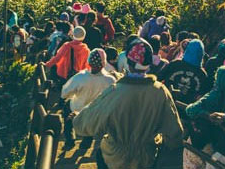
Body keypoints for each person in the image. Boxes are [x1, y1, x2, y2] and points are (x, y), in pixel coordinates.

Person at [74, 38, 184, 169]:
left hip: (114, 157)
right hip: (146, 157)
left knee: (100, 155)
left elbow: (83, 125)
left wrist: (76, 117)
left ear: (128, 62)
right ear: (149, 64)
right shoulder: (160, 91)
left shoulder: (114, 91)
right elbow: (175, 134)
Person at [62, 49, 118, 149]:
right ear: (103, 63)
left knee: (67, 108)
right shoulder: (110, 80)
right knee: (90, 115)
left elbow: (64, 93)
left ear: (89, 62)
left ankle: (69, 139)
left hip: (77, 108)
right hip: (96, 112)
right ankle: (87, 140)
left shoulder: (80, 77)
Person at [157, 39, 208, 104]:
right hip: (183, 110)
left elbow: (158, 78)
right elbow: (201, 97)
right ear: (201, 54)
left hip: (164, 102)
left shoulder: (175, 64)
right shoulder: (202, 75)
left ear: (187, 50)